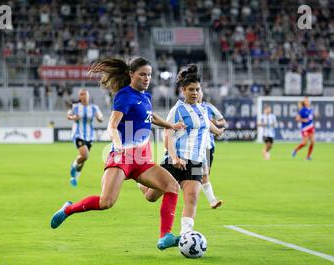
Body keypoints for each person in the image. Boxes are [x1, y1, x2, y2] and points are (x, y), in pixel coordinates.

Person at [50, 57, 186, 250]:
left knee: (172, 186)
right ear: (131, 74)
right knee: (106, 202)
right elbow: (112, 125)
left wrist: (170, 125)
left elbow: (150, 116)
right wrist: (117, 143)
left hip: (141, 159)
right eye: (142, 74)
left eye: (149, 74)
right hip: (121, 157)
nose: (147, 78)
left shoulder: (145, 97)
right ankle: (68, 209)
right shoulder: (124, 96)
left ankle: (165, 236)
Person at [139, 64, 224, 235]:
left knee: (192, 197)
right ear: (183, 90)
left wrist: (219, 131)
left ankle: (186, 234)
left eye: (197, 89)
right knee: (151, 197)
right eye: (191, 89)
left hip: (196, 161)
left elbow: (207, 125)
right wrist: (174, 157)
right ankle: (142, 183)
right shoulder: (177, 110)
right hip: (175, 161)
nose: (194, 93)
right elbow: (167, 135)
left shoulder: (202, 109)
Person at [68, 89, 104, 187]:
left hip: (89, 136)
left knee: (83, 159)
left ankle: (75, 178)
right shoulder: (76, 107)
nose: (83, 96)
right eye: (81, 95)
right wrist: (73, 118)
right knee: (85, 155)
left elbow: (101, 117)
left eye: (84, 94)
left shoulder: (94, 107)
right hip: (78, 134)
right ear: (79, 97)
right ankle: (73, 165)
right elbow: (69, 115)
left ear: (88, 95)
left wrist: (99, 118)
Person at [198, 89, 226, 209]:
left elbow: (222, 121)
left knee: (204, 174)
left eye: (198, 90)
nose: (197, 93)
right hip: (194, 146)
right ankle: (212, 200)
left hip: (209, 146)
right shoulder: (186, 108)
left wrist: (214, 123)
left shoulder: (209, 107)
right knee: (200, 175)